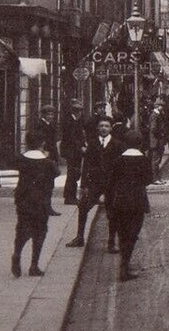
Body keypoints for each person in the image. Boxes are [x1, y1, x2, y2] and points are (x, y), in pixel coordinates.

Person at [68, 116, 120, 252]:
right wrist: (83, 184)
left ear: (110, 128)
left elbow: (120, 165)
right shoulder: (92, 144)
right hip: (94, 183)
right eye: (101, 126)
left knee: (112, 213)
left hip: (111, 183)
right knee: (83, 207)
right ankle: (79, 237)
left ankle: (111, 242)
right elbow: (86, 165)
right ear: (97, 128)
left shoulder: (117, 144)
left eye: (106, 126)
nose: (104, 128)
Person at [11, 149, 58, 277]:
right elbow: (56, 172)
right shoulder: (47, 162)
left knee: (21, 228)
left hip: (23, 199)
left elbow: (14, 163)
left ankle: (17, 253)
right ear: (41, 144)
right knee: (40, 231)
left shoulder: (21, 159)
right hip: (40, 200)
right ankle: (34, 266)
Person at [107, 146, 152, 281]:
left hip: (120, 201)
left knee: (122, 233)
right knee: (132, 234)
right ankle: (124, 267)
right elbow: (149, 179)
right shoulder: (144, 160)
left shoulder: (118, 160)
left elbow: (111, 181)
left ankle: (124, 266)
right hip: (138, 201)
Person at [24, 106, 61, 216]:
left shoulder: (52, 125)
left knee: (49, 183)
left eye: (52, 114)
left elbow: (54, 142)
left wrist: (56, 157)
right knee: (41, 183)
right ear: (43, 115)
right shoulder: (38, 125)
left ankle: (47, 207)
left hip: (51, 156)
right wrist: (41, 151)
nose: (51, 116)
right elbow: (33, 139)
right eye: (49, 114)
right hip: (41, 156)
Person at [60, 102, 88, 206]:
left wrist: (84, 144)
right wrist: (81, 147)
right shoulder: (69, 122)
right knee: (72, 173)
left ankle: (70, 195)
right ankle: (69, 197)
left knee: (75, 173)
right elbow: (71, 138)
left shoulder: (77, 121)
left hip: (76, 151)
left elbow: (80, 135)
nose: (80, 113)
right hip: (71, 151)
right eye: (78, 111)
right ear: (74, 112)